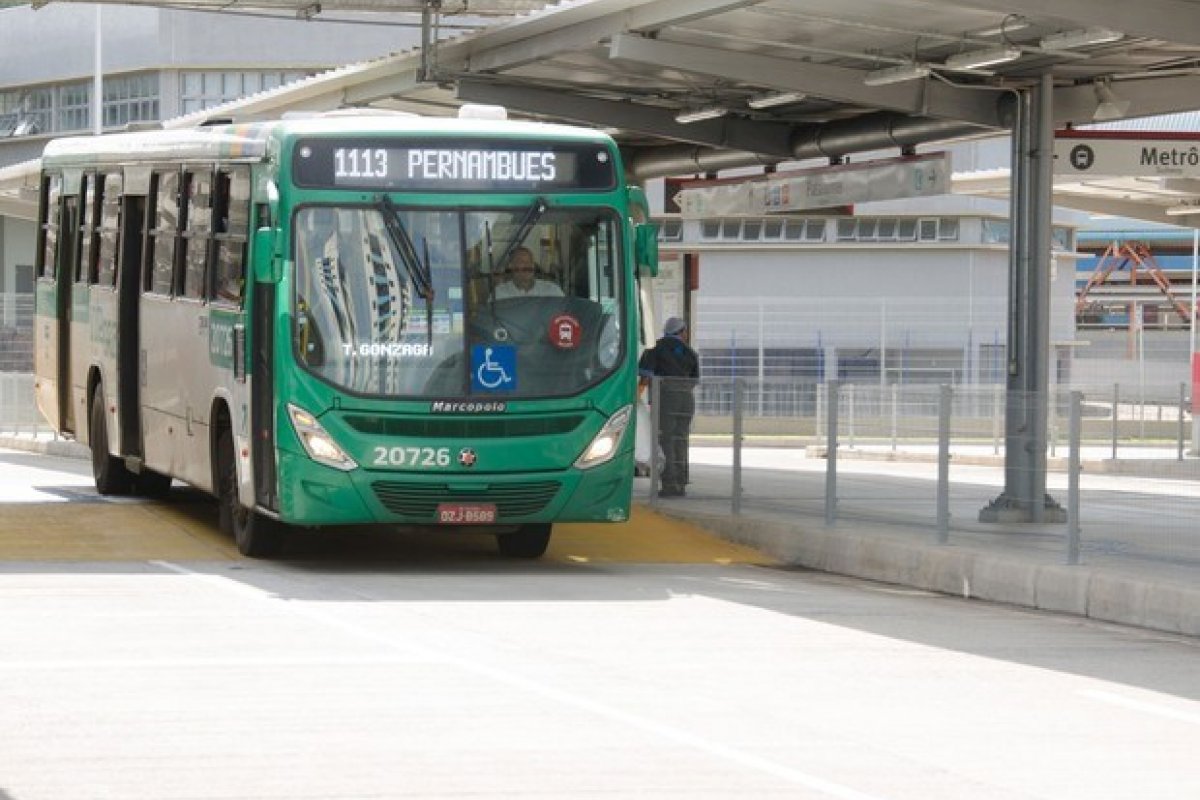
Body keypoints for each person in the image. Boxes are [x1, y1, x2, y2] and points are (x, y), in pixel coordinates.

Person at [638, 316, 700, 497]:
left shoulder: (655, 350)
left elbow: (645, 377)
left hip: (665, 398)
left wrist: (636, 397)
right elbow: (695, 380)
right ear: (681, 332)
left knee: (665, 440)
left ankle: (669, 484)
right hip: (686, 400)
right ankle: (681, 482)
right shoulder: (691, 353)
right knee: (681, 439)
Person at [494, 246, 563, 299]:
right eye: (521, 261)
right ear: (511, 266)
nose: (527, 265)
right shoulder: (500, 294)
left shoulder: (552, 290)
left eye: (530, 261)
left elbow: (564, 312)